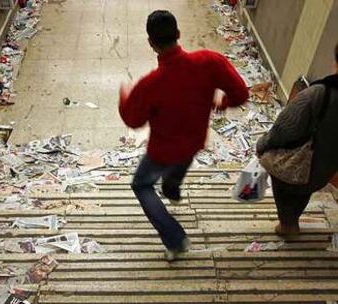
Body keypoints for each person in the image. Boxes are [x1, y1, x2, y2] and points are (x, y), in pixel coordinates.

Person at [118, 10, 249, 261]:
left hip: (162, 150)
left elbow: (134, 120)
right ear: (178, 34)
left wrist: (125, 99)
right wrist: (223, 102)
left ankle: (174, 238)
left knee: (141, 185)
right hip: (194, 141)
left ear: (151, 43)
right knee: (179, 166)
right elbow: (241, 93)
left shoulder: (150, 85)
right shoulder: (209, 61)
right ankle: (172, 189)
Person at [257, 43, 338, 236]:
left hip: (301, 165)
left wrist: (263, 144)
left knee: (284, 183)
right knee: (306, 188)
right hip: (325, 169)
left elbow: (284, 129)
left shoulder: (318, 94)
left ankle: (288, 225)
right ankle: (292, 220)